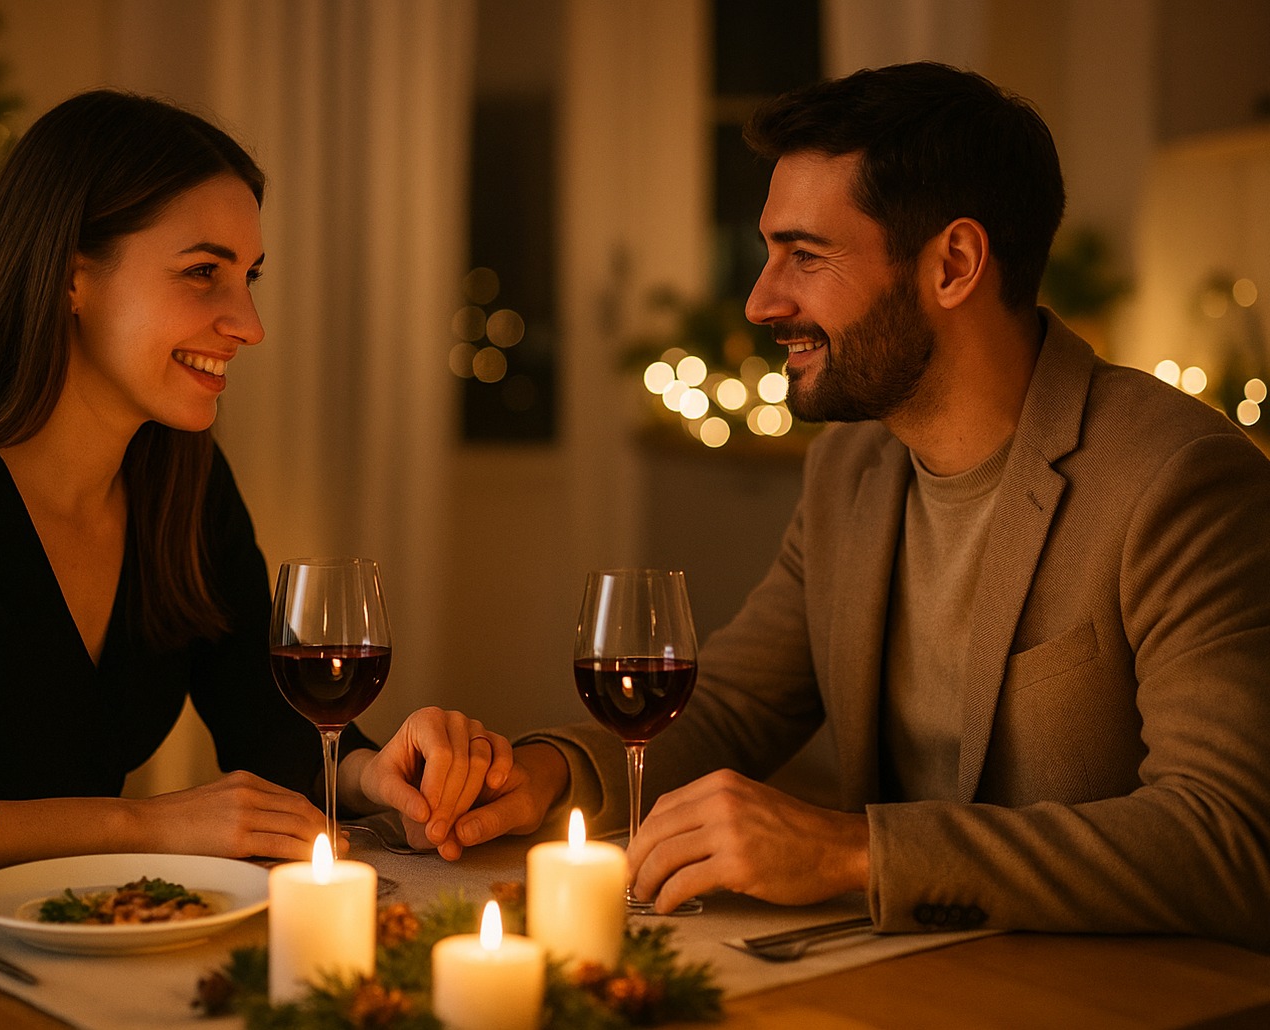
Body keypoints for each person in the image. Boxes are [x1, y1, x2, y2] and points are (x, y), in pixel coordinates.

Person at [452, 62, 1270, 949]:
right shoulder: (850, 467)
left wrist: (855, 853)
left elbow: (1228, 839)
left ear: (954, 265)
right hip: (889, 975)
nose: (761, 300)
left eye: (806, 255)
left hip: (1105, 991)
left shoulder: (1180, 479)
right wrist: (538, 775)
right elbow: (734, 704)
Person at [0, 90, 510, 892]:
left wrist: (375, 774)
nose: (249, 323)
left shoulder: (183, 480)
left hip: (74, 931)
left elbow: (267, 724)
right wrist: (140, 826)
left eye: (249, 277)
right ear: (72, 279)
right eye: (203, 273)